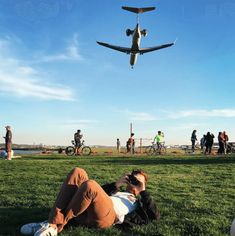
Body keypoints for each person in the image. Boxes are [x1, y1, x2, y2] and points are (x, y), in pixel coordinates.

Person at [20, 167, 160, 236]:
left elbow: (154, 215)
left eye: (138, 181)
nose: (134, 182)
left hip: (108, 217)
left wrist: (143, 191)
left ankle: (55, 225)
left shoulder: (140, 201)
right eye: (133, 178)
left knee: (91, 185)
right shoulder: (118, 190)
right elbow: (98, 194)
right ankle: (51, 224)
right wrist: (116, 184)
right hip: (87, 210)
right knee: (78, 172)